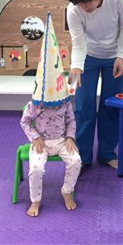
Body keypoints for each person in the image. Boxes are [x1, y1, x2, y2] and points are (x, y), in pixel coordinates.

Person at [64, 0, 123, 171]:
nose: (84, 7)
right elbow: (78, 43)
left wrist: (121, 55)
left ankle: (107, 154)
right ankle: (82, 156)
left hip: (116, 56)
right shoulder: (74, 9)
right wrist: (76, 67)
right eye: (79, 3)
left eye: (87, 2)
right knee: (83, 106)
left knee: (111, 105)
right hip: (88, 56)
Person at [19, 81, 82, 217]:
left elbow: (71, 121)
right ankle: (35, 200)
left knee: (76, 161)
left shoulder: (65, 103)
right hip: (41, 143)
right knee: (36, 168)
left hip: (62, 141)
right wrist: (35, 137)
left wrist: (70, 137)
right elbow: (25, 122)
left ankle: (67, 191)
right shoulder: (35, 104)